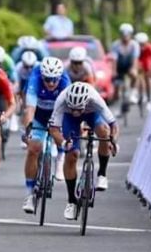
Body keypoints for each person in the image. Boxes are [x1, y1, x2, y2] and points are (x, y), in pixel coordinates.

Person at [49, 82, 118, 220]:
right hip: (68, 119)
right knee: (72, 155)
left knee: (104, 133)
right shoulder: (62, 100)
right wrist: (63, 143)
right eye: (72, 108)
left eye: (78, 109)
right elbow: (54, 130)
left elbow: (113, 124)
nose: (76, 112)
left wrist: (113, 140)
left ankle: (102, 174)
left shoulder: (95, 99)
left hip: (91, 113)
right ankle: (71, 201)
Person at [21, 57, 71, 213]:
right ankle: (29, 195)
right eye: (48, 80)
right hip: (39, 116)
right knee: (34, 148)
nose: (51, 83)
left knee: (62, 137)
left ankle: (60, 159)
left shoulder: (65, 82)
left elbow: (69, 110)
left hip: (58, 115)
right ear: (42, 76)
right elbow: (30, 109)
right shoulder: (35, 79)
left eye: (54, 80)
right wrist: (29, 127)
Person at [111, 23, 140, 103]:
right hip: (119, 66)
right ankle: (116, 101)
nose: (125, 37)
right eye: (123, 35)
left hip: (129, 65)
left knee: (134, 75)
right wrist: (114, 71)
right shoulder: (115, 45)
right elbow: (114, 60)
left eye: (127, 35)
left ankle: (133, 92)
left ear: (130, 35)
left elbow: (135, 59)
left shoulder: (134, 45)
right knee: (116, 91)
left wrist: (134, 69)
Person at [135, 32, 151, 107]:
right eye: (139, 44)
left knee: (148, 77)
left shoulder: (150, 48)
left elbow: (150, 61)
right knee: (138, 75)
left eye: (143, 44)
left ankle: (150, 96)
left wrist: (149, 70)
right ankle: (140, 93)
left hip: (147, 60)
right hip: (139, 59)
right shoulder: (135, 48)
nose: (141, 46)